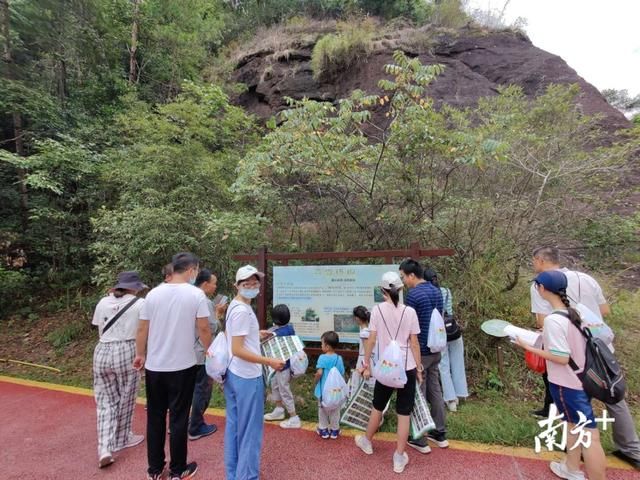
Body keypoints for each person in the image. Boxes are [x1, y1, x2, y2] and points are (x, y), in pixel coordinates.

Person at [530, 246, 640, 470]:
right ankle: (632, 449)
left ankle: (576, 456)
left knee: (576, 408)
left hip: (572, 356)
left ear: (540, 261)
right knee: (614, 398)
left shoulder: (541, 284)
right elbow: (605, 311)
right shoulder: (586, 279)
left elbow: (542, 321)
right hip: (600, 350)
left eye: (534, 261)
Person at [516, 270, 606, 480]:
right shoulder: (574, 313)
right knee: (573, 425)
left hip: (567, 384)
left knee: (589, 436)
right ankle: (571, 469)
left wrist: (527, 346)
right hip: (583, 379)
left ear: (542, 289)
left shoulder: (553, 320)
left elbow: (561, 357)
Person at [133, 252, 213, 480]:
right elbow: (204, 329)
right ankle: (178, 470)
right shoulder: (195, 294)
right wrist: (211, 351)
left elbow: (142, 329)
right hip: (183, 367)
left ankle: (155, 470)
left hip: (155, 367)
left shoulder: (153, 294)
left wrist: (140, 354)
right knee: (178, 418)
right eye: (196, 270)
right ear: (191, 270)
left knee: (155, 417)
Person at [355, 272, 422, 474]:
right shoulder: (409, 312)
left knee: (378, 405)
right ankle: (399, 457)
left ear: (382, 290)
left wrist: (366, 363)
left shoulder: (376, 311)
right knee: (404, 412)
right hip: (406, 367)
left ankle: (366, 441)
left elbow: (372, 340)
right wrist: (419, 368)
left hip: (385, 368)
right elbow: (415, 343)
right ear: (401, 289)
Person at [224, 265, 286, 480]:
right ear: (237, 285)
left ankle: (234, 474)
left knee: (234, 427)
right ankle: (247, 476)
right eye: (246, 284)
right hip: (247, 377)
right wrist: (269, 360)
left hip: (233, 373)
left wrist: (255, 334)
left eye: (255, 283)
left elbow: (235, 337)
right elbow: (238, 349)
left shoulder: (235, 305)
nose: (252, 287)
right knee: (250, 431)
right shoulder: (242, 310)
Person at [92, 271, 147, 468]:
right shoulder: (140, 304)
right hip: (127, 348)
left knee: (105, 402)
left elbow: (99, 327)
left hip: (102, 350)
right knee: (126, 397)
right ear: (134, 287)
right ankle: (122, 438)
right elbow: (142, 331)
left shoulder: (102, 302)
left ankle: (104, 448)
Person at [398, 258, 447, 453]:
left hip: (422, 353)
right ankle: (440, 433)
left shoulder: (413, 295)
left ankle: (420, 438)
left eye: (403, 277)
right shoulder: (436, 290)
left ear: (411, 275)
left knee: (418, 394)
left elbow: (411, 328)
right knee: (435, 391)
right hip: (436, 349)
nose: (403, 281)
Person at [188, 269, 226, 441]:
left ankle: (179, 424)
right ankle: (195, 426)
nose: (215, 286)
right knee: (201, 390)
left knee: (185, 390)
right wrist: (218, 315)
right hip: (201, 352)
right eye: (214, 283)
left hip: (184, 352)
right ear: (205, 284)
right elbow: (210, 328)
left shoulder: (184, 297)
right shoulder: (204, 301)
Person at [424, 269, 468, 412]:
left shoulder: (428, 294)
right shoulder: (447, 291)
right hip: (453, 331)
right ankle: (461, 394)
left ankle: (451, 400)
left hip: (440, 334)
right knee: (458, 363)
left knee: (444, 366)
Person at [263, 304, 301, 429]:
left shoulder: (277, 333)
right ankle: (279, 410)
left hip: (282, 367)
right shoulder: (289, 328)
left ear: (274, 319)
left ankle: (294, 416)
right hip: (279, 366)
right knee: (275, 385)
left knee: (284, 390)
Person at [314, 330, 345, 440]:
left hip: (323, 391)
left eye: (322, 343)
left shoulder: (322, 358)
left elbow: (319, 373)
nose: (321, 345)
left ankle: (323, 430)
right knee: (335, 409)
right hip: (335, 390)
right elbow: (341, 373)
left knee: (322, 410)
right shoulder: (339, 358)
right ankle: (334, 430)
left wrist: (315, 380)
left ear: (326, 346)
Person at [349, 306, 375, 398]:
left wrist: (366, 368)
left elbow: (367, 349)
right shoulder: (372, 331)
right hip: (370, 360)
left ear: (357, 318)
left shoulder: (364, 333)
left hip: (364, 361)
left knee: (359, 389)